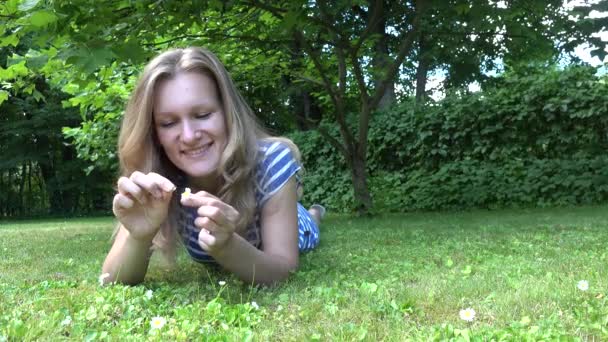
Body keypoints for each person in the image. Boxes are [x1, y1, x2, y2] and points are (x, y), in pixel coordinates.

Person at [101, 47, 325, 286]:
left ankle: (314, 213)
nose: (188, 136)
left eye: (203, 114)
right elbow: (109, 281)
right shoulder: (156, 178)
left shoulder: (272, 160)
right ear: (153, 132)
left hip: (296, 225)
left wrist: (228, 246)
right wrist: (140, 236)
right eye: (168, 123)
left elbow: (284, 271)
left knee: (307, 225)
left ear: (228, 113)